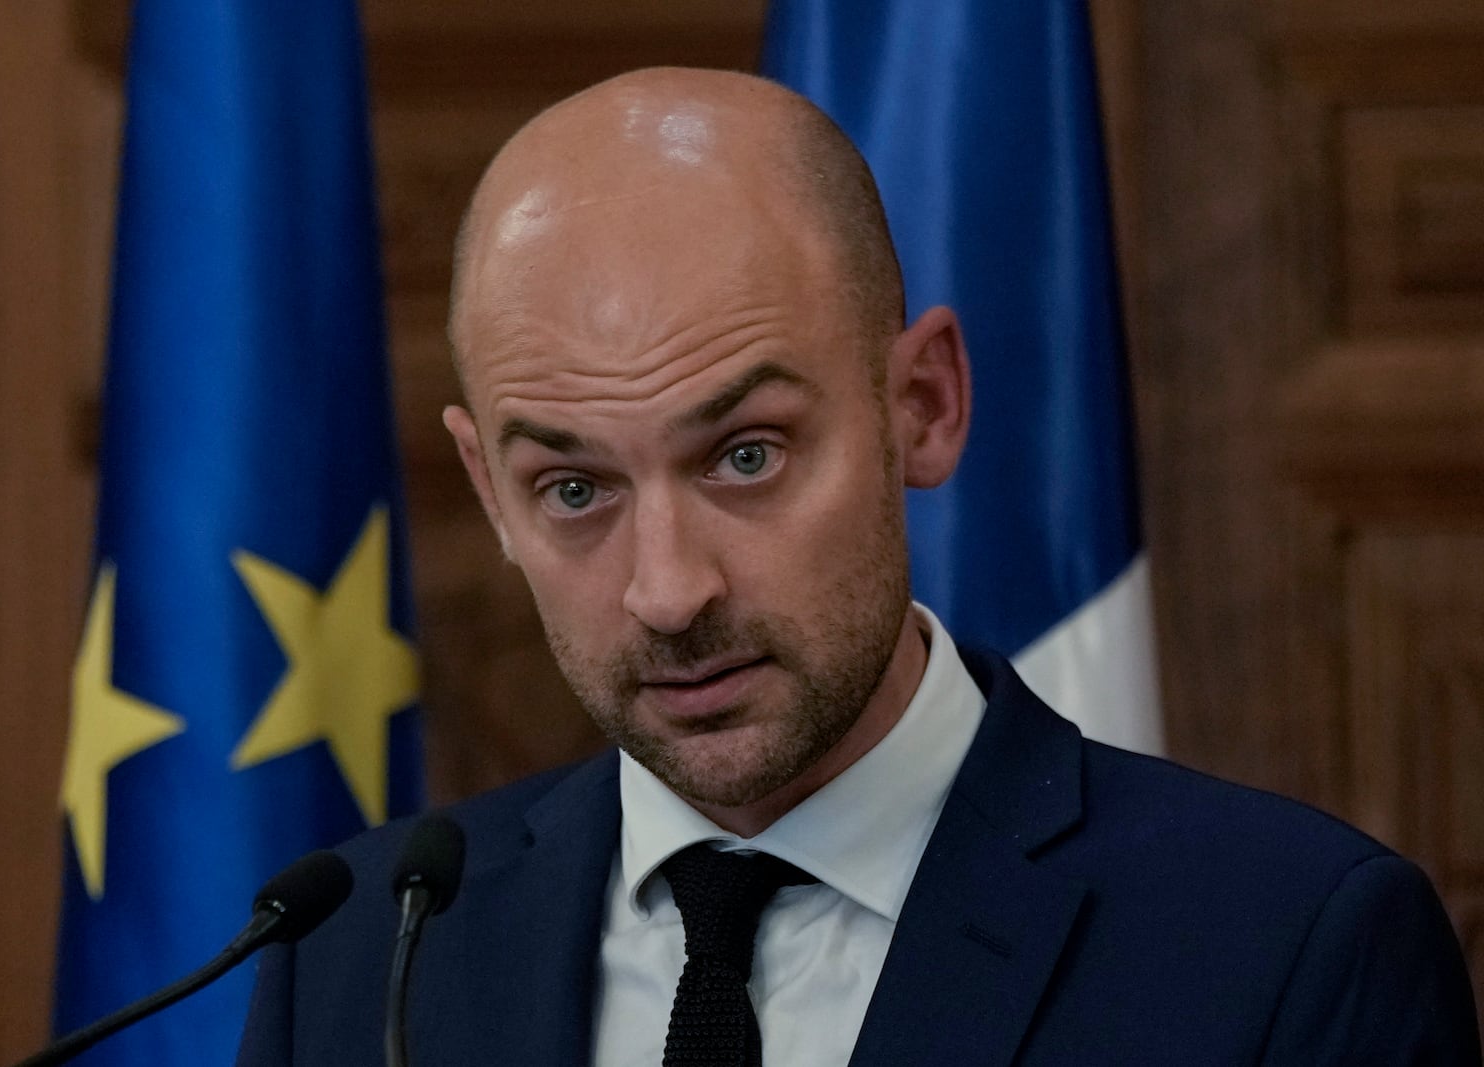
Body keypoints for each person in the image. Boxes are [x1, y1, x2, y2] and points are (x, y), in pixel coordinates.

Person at [238, 67, 1480, 1065]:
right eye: (573, 489)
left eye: (745, 456)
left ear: (923, 406)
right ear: (486, 493)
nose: (667, 591)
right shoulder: (351, 953)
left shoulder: (1283, 948)